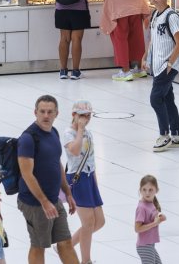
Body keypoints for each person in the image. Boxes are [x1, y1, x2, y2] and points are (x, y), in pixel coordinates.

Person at [17, 95, 78, 264]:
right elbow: (27, 174)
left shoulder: (54, 132)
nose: (46, 115)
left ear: (56, 113)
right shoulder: (28, 138)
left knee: (65, 242)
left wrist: (67, 193)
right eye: (42, 111)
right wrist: (44, 202)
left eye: (50, 112)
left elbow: (56, 163)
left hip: (53, 199)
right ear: (35, 112)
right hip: (35, 203)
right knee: (39, 245)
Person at [142, 0, 179, 151]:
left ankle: (164, 134)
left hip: (167, 66)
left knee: (155, 98)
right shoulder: (155, 15)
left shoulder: (171, 17)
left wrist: (169, 63)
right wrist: (145, 56)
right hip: (158, 64)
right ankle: (176, 134)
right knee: (167, 99)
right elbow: (153, 39)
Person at [63, 100, 105, 264]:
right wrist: (79, 130)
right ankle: (86, 261)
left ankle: (67, 245)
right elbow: (73, 150)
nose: (85, 119)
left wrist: (95, 181)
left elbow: (91, 159)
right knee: (87, 223)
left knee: (99, 221)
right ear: (74, 115)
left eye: (88, 116)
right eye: (82, 116)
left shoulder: (88, 133)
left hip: (89, 178)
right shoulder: (69, 133)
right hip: (77, 178)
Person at [135, 175, 166, 264]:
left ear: (156, 190)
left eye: (150, 190)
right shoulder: (141, 207)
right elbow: (137, 228)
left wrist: (160, 218)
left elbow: (152, 219)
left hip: (150, 245)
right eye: (144, 190)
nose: (147, 193)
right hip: (144, 246)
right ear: (140, 190)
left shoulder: (150, 204)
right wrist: (154, 223)